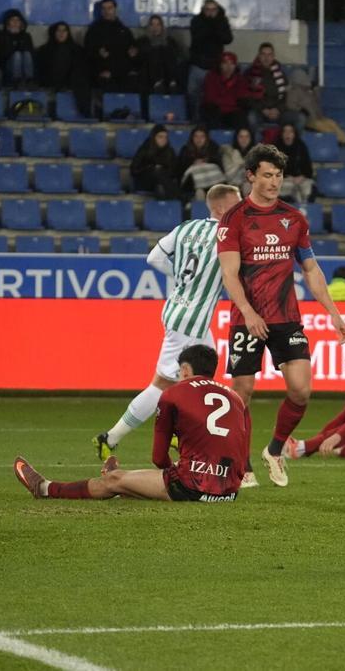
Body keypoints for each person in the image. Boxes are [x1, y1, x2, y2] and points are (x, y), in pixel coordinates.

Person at [217, 144, 345, 488]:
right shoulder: (234, 219)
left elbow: (310, 268)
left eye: (278, 175)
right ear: (250, 177)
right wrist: (247, 312)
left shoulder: (294, 218)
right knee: (242, 390)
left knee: (301, 391)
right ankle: (242, 464)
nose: (274, 182)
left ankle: (274, 450)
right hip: (247, 318)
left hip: (286, 317)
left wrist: (333, 312)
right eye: (267, 175)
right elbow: (229, 274)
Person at [93, 185, 248, 479]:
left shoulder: (186, 228)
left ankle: (180, 431)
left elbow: (153, 258)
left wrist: (183, 281)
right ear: (219, 209)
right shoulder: (226, 234)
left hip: (181, 311)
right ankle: (110, 438)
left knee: (202, 379)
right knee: (163, 384)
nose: (241, 209)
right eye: (236, 204)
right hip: (191, 320)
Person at [33, 345, 250, 502]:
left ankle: (45, 488)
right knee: (135, 481)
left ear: (185, 370)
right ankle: (132, 484)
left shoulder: (173, 394)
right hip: (229, 491)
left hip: (193, 487)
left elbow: (158, 458)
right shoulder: (236, 398)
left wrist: (174, 471)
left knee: (113, 481)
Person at [187, 0, 234, 121]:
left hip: (215, 66)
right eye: (208, 9)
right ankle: (195, 120)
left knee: (212, 97)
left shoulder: (222, 21)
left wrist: (216, 25)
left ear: (217, 10)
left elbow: (227, 39)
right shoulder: (196, 21)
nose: (210, 12)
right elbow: (198, 39)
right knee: (193, 93)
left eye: (213, 10)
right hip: (198, 63)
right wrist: (211, 26)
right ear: (203, 10)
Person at [285, 68, 345, 146]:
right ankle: (337, 141)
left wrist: (315, 92)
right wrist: (301, 110)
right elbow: (290, 105)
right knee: (324, 127)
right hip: (308, 120)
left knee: (331, 123)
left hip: (317, 117)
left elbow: (316, 103)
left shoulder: (308, 91)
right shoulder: (293, 91)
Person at [245, 43, 304, 132]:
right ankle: (260, 144)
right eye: (263, 54)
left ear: (273, 56)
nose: (266, 58)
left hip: (278, 112)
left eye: (269, 55)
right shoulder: (250, 73)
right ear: (259, 56)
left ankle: (290, 144)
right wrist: (262, 109)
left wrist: (278, 110)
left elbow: (286, 97)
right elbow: (247, 97)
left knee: (300, 118)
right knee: (251, 118)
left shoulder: (280, 74)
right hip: (259, 111)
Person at [85, 0, 138, 92]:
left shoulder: (124, 31)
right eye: (104, 8)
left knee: (134, 81)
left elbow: (131, 53)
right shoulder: (94, 30)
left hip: (122, 71)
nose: (106, 11)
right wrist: (98, 55)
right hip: (102, 71)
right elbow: (88, 53)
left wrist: (133, 55)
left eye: (109, 8)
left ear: (115, 10)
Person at [202, 52, 257, 131]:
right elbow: (210, 98)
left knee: (242, 119)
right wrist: (230, 102)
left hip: (233, 111)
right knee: (211, 115)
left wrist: (227, 102)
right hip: (216, 110)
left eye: (232, 64)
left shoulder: (240, 79)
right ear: (220, 65)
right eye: (225, 63)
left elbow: (241, 97)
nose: (229, 67)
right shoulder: (211, 77)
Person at [135, 15, 183, 95]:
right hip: (147, 78)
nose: (155, 27)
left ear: (162, 26)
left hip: (168, 78)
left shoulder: (170, 41)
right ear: (149, 27)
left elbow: (175, 59)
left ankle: (169, 82)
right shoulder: (142, 42)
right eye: (152, 24)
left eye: (158, 24)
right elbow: (139, 61)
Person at [130, 124, 180, 200]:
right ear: (154, 137)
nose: (163, 139)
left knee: (160, 187)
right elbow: (134, 170)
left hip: (163, 181)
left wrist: (163, 170)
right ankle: (181, 198)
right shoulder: (145, 149)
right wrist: (151, 167)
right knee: (157, 171)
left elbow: (174, 171)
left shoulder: (170, 151)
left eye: (165, 137)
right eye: (160, 137)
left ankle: (167, 208)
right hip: (145, 181)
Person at [178, 127, 225, 200]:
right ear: (192, 138)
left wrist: (206, 161)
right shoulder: (185, 150)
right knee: (199, 193)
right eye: (196, 136)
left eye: (202, 136)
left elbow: (219, 166)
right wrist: (193, 163)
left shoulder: (213, 148)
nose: (199, 139)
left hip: (212, 183)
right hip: (194, 185)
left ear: (206, 138)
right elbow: (181, 170)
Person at [274, 124, 314, 205]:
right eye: (285, 131)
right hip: (283, 179)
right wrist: (289, 178)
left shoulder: (301, 146)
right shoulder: (276, 148)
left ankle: (305, 210)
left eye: (290, 132)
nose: (288, 134)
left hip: (301, 178)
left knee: (307, 187)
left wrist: (302, 177)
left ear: (294, 134)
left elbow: (308, 169)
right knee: (290, 187)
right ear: (282, 134)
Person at [0, 10, 35, 89]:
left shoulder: (26, 36)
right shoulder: (1, 36)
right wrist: (11, 37)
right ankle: (16, 81)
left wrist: (19, 37)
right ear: (8, 22)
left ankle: (29, 80)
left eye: (18, 20)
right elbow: (2, 55)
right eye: (12, 20)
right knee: (17, 55)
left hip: (24, 66)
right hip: (7, 67)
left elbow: (30, 53)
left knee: (26, 54)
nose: (15, 22)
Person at [221, 127, 255, 196]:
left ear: (251, 138)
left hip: (250, 184)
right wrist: (239, 164)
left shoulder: (257, 153)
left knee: (248, 186)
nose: (244, 139)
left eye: (247, 137)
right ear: (236, 138)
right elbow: (228, 176)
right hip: (233, 183)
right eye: (241, 137)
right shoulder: (229, 153)